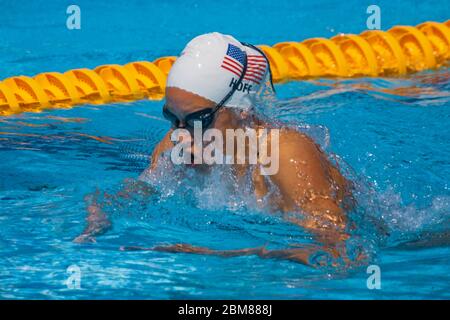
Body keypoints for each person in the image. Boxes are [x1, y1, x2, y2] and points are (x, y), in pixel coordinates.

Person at [75, 33, 356, 267]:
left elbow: (341, 254)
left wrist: (221, 254)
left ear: (242, 111)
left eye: (199, 120)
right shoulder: (178, 139)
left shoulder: (285, 154)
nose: (181, 136)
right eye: (173, 119)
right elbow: (144, 189)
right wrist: (102, 209)